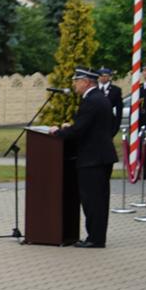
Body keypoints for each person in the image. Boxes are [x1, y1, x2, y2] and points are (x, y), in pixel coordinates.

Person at [56, 68, 118, 248]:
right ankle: (96, 236)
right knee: (97, 199)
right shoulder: (99, 98)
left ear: (86, 82)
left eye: (77, 80)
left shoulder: (91, 101)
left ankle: (95, 238)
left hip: (93, 159)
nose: (74, 84)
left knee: (93, 200)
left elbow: (79, 130)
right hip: (100, 156)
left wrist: (59, 132)